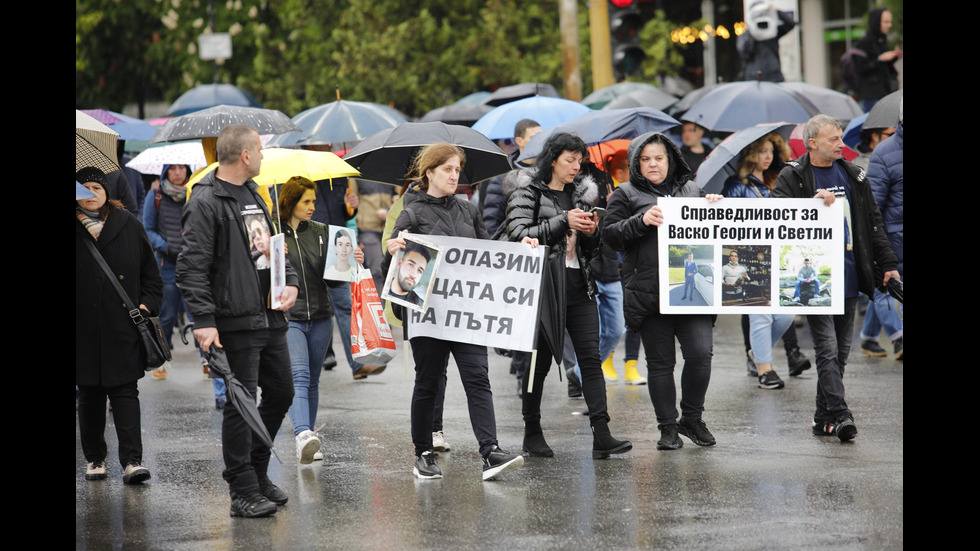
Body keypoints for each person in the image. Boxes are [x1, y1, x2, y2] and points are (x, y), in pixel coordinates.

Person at [177, 125, 300, 518]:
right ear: (245, 155)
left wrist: (292, 283)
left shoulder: (254, 194)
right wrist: (204, 320)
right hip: (234, 319)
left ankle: (257, 471)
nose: (263, 156)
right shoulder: (206, 200)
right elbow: (191, 266)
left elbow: (274, 247)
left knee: (281, 392)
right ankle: (242, 488)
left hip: (269, 315)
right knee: (241, 404)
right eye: (259, 150)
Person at [385, 142, 525, 481]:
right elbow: (393, 267)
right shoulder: (411, 212)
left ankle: (490, 451)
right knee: (428, 383)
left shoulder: (468, 210)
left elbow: (488, 255)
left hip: (465, 315)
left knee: (478, 378)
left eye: (457, 170)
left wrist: (521, 249)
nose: (454, 175)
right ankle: (423, 454)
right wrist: (392, 250)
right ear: (429, 172)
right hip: (428, 318)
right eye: (447, 169)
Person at [502, 132, 632, 459]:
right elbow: (518, 234)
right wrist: (564, 220)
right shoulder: (527, 191)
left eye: (579, 161)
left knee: (590, 360)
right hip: (543, 289)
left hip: (579, 285)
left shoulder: (580, 194)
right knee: (539, 364)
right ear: (553, 159)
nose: (576, 167)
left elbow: (593, 248)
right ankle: (532, 432)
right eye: (569, 160)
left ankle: (602, 434)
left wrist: (590, 233)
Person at [773, 114, 899, 442]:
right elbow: (775, 218)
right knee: (826, 348)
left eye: (841, 138)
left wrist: (887, 264)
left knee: (841, 352)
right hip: (813, 280)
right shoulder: (793, 175)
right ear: (812, 143)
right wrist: (808, 207)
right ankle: (841, 413)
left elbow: (874, 223)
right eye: (833, 139)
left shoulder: (854, 174)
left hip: (849, 274)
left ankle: (821, 418)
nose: (841, 144)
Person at [603, 131, 722, 451]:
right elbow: (610, 236)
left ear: (671, 161)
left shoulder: (693, 190)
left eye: (659, 158)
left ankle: (692, 418)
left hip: (692, 293)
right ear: (636, 163)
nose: (653, 164)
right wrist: (641, 221)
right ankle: (667, 427)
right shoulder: (625, 193)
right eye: (646, 159)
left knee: (700, 355)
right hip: (649, 293)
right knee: (660, 363)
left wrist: (714, 207)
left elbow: (714, 232)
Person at [76, 166, 162, 484]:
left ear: (107, 192)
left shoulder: (128, 225)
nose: (90, 194)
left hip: (122, 324)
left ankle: (131, 461)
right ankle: (95, 458)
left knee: (125, 391)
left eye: (96, 188)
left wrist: (146, 305)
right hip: (83, 329)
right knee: (89, 394)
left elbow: (152, 275)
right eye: (83, 188)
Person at [276, 177, 365, 464]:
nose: (313, 207)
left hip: (321, 316)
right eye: (306, 201)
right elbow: (258, 272)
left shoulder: (324, 232)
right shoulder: (273, 234)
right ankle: (303, 434)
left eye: (314, 201)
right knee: (299, 377)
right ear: (290, 202)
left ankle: (308, 438)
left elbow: (337, 281)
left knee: (313, 380)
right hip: (289, 317)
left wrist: (353, 260)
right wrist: (273, 254)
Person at [721, 132, 798, 389]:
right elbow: (727, 220)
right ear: (751, 154)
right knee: (761, 314)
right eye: (762, 151)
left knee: (785, 316)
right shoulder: (737, 185)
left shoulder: (780, 180)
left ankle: (756, 353)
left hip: (778, 256)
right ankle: (766, 371)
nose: (768, 156)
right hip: (748, 256)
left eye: (771, 151)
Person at [860, 101, 903, 359]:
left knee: (883, 290)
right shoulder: (884, 154)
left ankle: (867, 337)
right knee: (886, 287)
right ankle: (899, 338)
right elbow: (873, 205)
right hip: (892, 241)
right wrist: (878, 245)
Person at [854, 8, 902, 112]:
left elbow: (883, 67)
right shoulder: (864, 43)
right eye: (886, 22)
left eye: (890, 22)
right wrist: (880, 58)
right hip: (872, 96)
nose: (889, 25)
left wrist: (893, 56)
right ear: (876, 22)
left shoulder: (882, 41)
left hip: (886, 93)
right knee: (874, 127)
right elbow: (860, 68)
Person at [737, 0, 796, 82]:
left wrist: (776, 11)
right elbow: (744, 54)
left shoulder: (772, 33)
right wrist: (752, 33)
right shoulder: (746, 35)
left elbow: (791, 24)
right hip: (755, 77)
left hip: (774, 76)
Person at [386, 241, 430, 307]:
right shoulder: (381, 285)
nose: (413, 275)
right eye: (410, 265)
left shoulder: (420, 304)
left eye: (420, 270)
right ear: (399, 263)